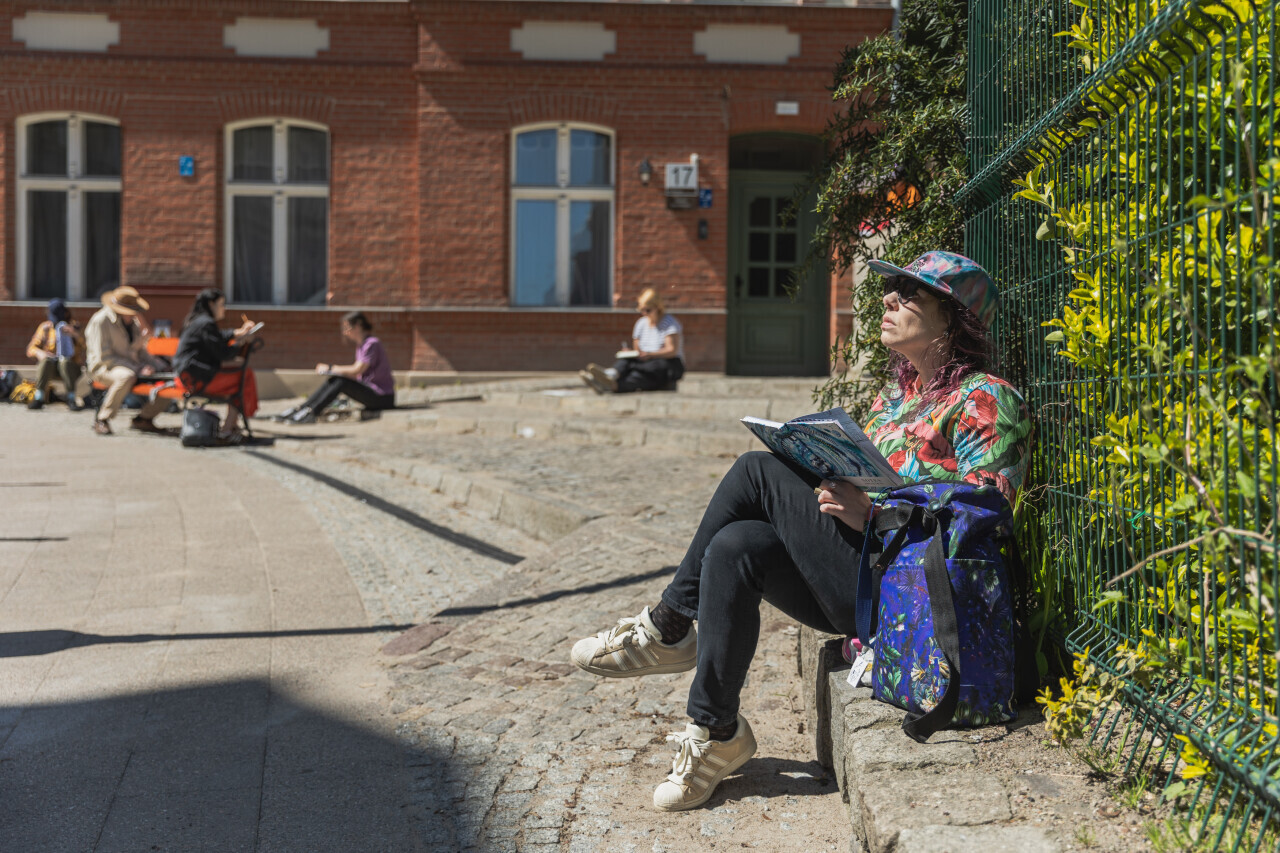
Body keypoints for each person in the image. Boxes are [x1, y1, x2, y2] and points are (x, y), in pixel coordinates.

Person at [569, 251, 1033, 811]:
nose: (888, 299)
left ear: (952, 319)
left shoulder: (988, 399)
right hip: (861, 576)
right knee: (735, 546)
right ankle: (715, 731)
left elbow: (984, 517)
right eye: (891, 289)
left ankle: (668, 626)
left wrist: (872, 514)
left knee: (755, 470)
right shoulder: (894, 401)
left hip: (915, 599)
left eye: (909, 292)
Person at [173, 289, 260, 443]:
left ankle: (231, 425)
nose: (224, 309)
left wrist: (239, 333)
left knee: (241, 375)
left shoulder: (198, 320)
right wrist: (242, 341)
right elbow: (222, 353)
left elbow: (218, 337)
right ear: (211, 304)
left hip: (188, 375)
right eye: (221, 304)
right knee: (244, 377)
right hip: (194, 379)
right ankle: (227, 430)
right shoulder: (206, 323)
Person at [275, 311, 394, 424]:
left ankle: (312, 412)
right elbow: (357, 374)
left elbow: (358, 370)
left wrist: (331, 368)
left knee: (341, 382)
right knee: (335, 379)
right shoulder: (361, 345)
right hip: (373, 392)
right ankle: (303, 408)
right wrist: (334, 372)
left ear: (358, 326)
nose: (345, 332)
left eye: (347, 328)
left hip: (382, 397)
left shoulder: (371, 343)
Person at [85, 286, 170, 436]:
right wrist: (138, 369)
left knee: (167, 380)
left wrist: (160, 367)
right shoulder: (101, 321)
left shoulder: (133, 322)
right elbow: (103, 358)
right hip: (103, 368)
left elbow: (140, 351)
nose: (135, 314)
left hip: (132, 367)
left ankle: (143, 419)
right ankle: (102, 419)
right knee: (126, 376)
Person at [580, 288, 684, 394]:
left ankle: (607, 383)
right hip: (645, 362)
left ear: (657, 307)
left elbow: (672, 350)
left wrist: (650, 354)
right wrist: (631, 353)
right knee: (629, 362)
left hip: (664, 363)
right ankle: (609, 377)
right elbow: (637, 349)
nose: (644, 313)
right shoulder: (641, 323)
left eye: (648, 310)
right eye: (641, 310)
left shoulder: (669, 323)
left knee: (644, 370)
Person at [26, 298, 85, 410]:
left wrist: (75, 334)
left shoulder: (74, 327)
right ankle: (39, 398)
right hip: (51, 367)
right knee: (46, 362)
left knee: (65, 362)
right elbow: (30, 349)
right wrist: (40, 353)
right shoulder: (45, 327)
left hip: (71, 368)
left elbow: (87, 346)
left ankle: (71, 398)